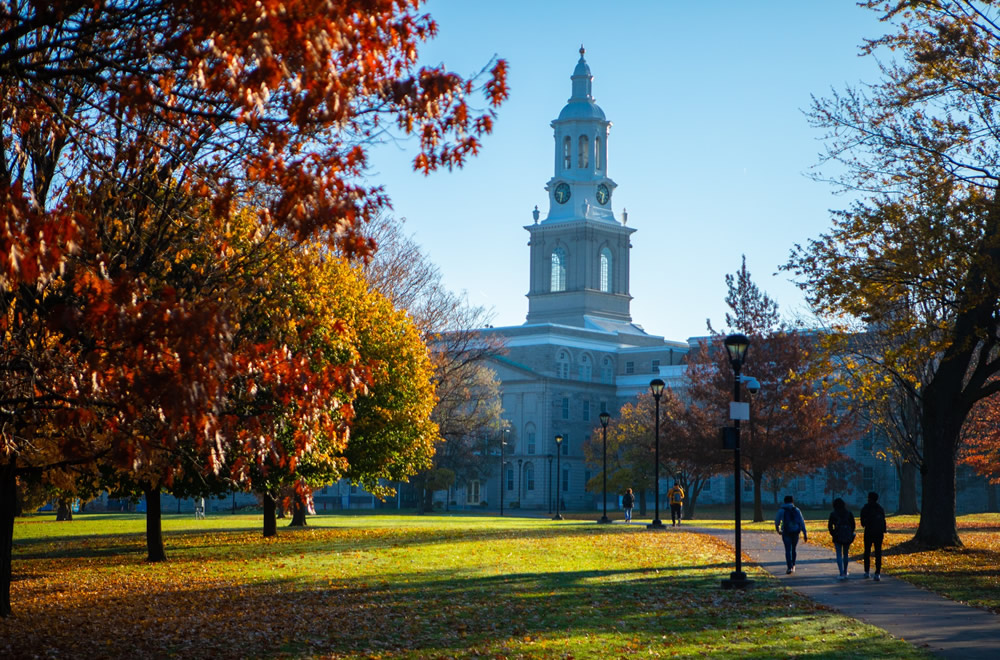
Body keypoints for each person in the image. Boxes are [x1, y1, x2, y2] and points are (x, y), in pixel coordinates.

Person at [775, 495, 808, 574]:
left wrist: (778, 530)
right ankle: (793, 565)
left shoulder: (781, 510)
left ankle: (789, 567)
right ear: (792, 501)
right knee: (793, 549)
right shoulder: (796, 510)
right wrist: (804, 533)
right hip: (795, 532)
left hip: (786, 532)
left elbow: (777, 522)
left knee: (787, 550)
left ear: (784, 501)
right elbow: (801, 522)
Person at [860, 491, 887, 581]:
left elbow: (862, 523)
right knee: (878, 552)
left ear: (869, 498)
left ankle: (867, 571)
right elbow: (883, 521)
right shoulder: (880, 508)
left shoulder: (866, 508)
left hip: (869, 532)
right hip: (879, 533)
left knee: (867, 551)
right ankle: (877, 573)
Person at [828, 497, 856, 580]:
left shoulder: (833, 514)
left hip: (837, 536)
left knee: (839, 554)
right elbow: (853, 525)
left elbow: (830, 526)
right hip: (847, 536)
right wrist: (850, 532)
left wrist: (833, 533)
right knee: (846, 554)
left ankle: (841, 572)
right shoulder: (849, 513)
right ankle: (845, 571)